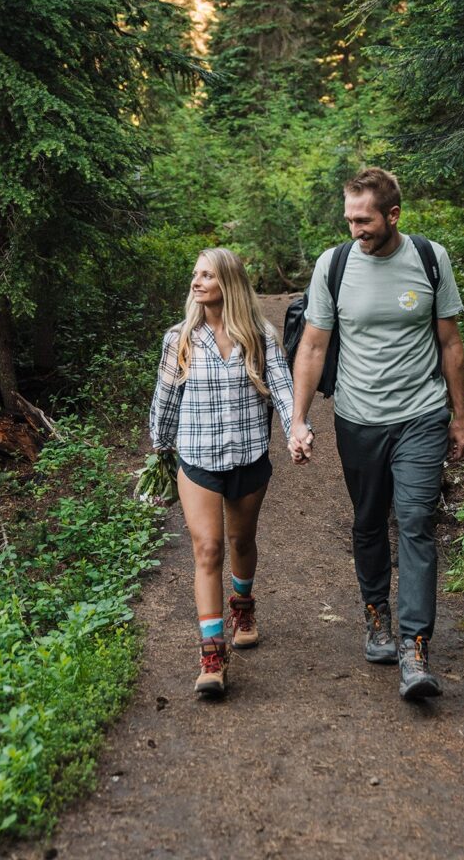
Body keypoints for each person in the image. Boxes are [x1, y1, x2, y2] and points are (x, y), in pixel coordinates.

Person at [289, 168, 464, 701]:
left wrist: (459, 416)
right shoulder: (335, 265)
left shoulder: (430, 259)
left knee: (415, 521)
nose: (355, 231)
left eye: (363, 221)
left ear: (393, 215)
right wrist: (299, 419)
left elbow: (451, 345)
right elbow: (314, 347)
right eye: (349, 220)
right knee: (369, 521)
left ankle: (415, 647)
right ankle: (376, 613)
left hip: (421, 415)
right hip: (358, 418)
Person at [150, 248, 294, 697]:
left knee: (241, 541)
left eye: (206, 275)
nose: (196, 282)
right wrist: (160, 446)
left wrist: (296, 432)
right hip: (197, 460)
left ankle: (243, 606)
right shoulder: (181, 338)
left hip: (249, 456)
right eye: (195, 274)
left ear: (227, 282)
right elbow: (166, 397)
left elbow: (284, 391)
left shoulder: (259, 335)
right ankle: (212, 655)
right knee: (208, 549)